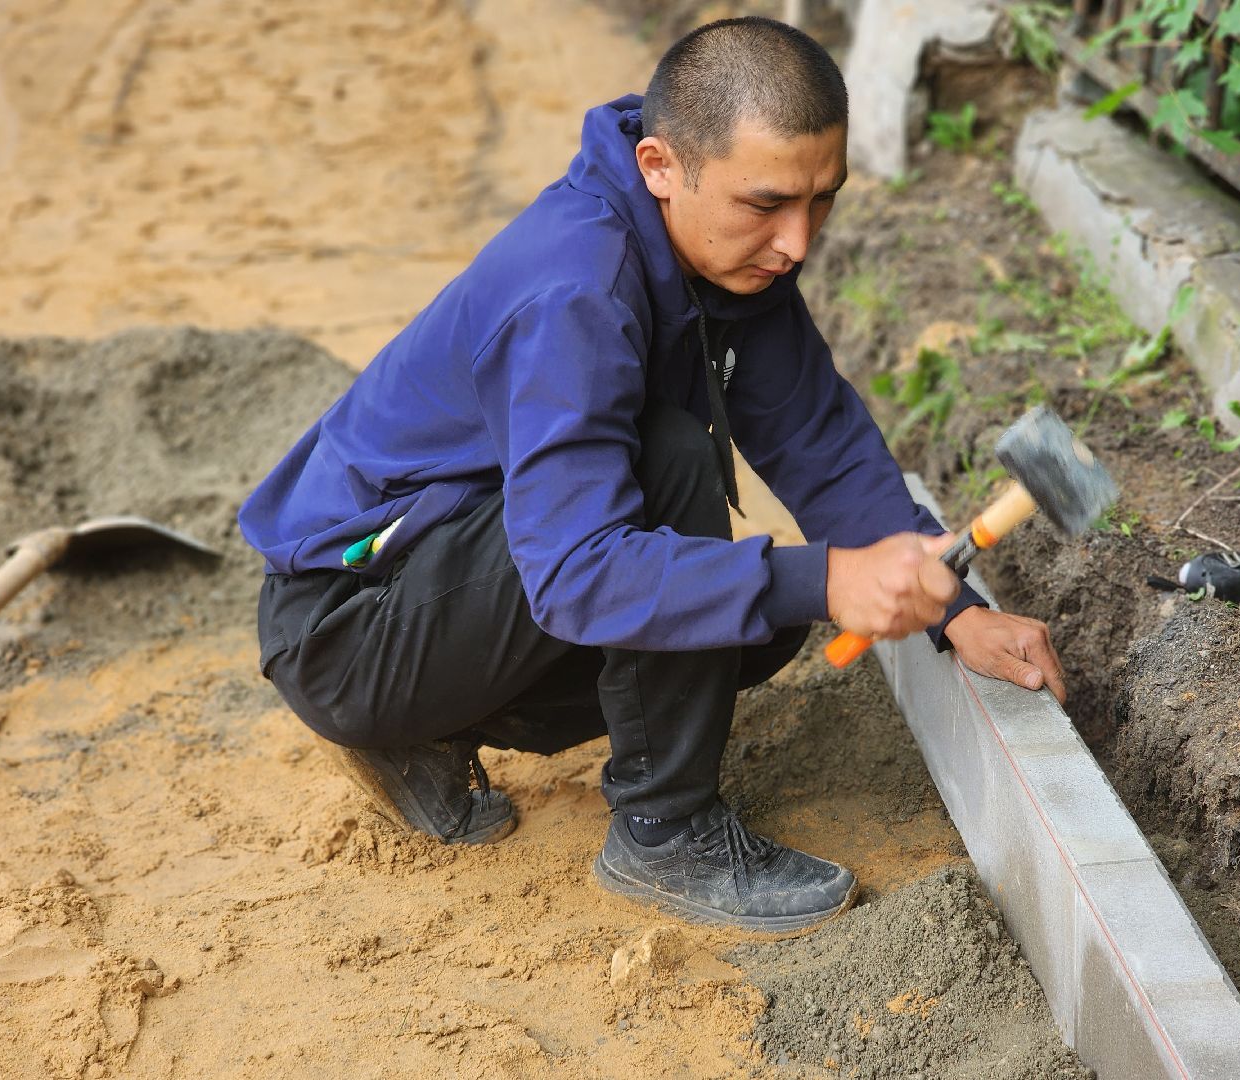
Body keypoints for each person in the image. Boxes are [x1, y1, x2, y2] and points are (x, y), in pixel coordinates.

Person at [238, 16, 1065, 934]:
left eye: (821, 199)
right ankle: (666, 833)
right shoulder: (575, 293)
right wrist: (830, 576)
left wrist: (957, 609)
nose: (797, 241)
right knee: (671, 462)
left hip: (451, 583)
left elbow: (818, 437)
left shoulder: (722, 250)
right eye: (767, 204)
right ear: (662, 165)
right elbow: (578, 572)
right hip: (350, 627)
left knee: (748, 631)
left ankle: (433, 734)